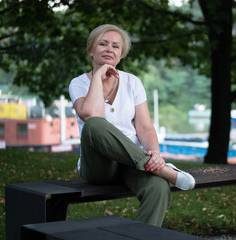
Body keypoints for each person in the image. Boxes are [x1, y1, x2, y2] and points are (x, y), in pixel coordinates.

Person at [69, 24, 195, 227]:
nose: (110, 49)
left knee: (158, 188)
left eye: (116, 46)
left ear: (121, 56)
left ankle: (155, 173)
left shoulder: (132, 82)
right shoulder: (79, 83)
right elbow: (91, 114)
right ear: (91, 51)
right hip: (99, 167)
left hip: (132, 162)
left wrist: (154, 152)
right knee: (94, 124)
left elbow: (144, 127)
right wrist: (99, 77)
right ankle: (162, 170)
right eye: (103, 44)